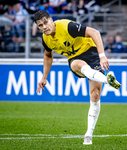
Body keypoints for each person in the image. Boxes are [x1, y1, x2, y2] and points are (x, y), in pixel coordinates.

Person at [34, 10, 121, 145]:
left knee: (95, 95)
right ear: (38, 27)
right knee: (77, 65)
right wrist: (44, 77)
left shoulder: (67, 27)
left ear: (51, 20)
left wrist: (102, 55)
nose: (44, 27)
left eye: (45, 22)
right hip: (75, 58)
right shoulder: (46, 39)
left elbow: (95, 33)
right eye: (40, 25)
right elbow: (48, 55)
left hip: (91, 53)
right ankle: (107, 80)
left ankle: (88, 135)